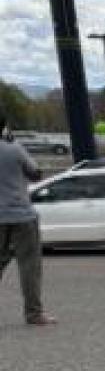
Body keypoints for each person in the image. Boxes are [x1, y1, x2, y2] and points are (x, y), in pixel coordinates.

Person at [0, 117, 54, 326]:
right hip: (21, 215)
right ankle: (33, 314)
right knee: (29, 266)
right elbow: (36, 174)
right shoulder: (14, 148)